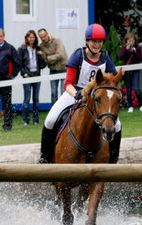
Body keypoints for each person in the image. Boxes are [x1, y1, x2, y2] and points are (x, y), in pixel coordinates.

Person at [39, 23, 122, 164]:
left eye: (100, 41)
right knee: (50, 120)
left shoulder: (105, 58)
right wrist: (77, 94)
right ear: (87, 41)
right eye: (94, 41)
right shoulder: (78, 55)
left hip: (97, 97)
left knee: (117, 125)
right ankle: (45, 157)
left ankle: (113, 159)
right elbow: (68, 83)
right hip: (75, 93)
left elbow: (112, 81)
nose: (97, 44)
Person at [0, 28, 21, 131]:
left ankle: (7, 126)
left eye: (1, 36)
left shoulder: (9, 48)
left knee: (6, 105)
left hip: (5, 81)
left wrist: (11, 76)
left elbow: (18, 63)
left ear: (4, 36)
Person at [18, 30, 46, 125]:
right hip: (27, 76)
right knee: (27, 99)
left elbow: (43, 65)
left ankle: (36, 120)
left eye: (33, 37)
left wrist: (41, 56)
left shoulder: (38, 48)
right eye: (30, 37)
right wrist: (24, 74)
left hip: (37, 75)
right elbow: (19, 63)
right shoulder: (22, 48)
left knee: (36, 99)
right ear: (26, 38)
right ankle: (26, 120)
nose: (32, 39)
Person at [38, 28, 68, 106]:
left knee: (63, 92)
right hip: (53, 70)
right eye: (41, 37)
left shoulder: (57, 40)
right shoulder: (41, 46)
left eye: (44, 36)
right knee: (53, 93)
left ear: (47, 34)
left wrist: (48, 57)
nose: (43, 38)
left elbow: (61, 55)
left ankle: (64, 109)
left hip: (63, 69)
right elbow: (45, 61)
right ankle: (54, 111)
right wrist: (54, 55)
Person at [119, 32, 142, 113]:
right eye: (129, 41)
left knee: (137, 89)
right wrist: (125, 50)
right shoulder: (124, 48)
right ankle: (130, 106)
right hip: (127, 71)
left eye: (132, 41)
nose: (130, 43)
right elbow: (121, 57)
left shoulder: (138, 48)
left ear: (134, 41)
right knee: (129, 89)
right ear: (126, 41)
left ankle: (141, 105)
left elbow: (140, 59)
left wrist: (134, 52)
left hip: (135, 71)